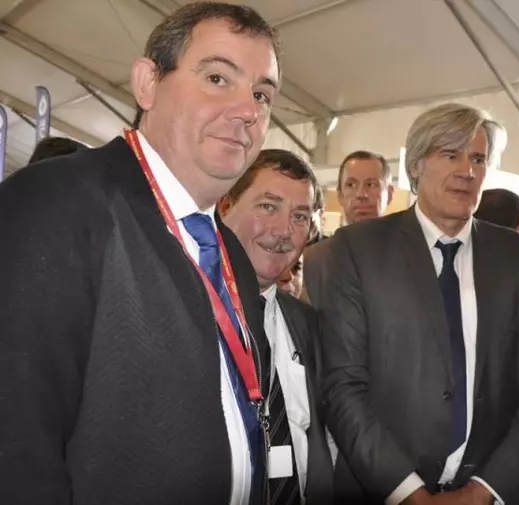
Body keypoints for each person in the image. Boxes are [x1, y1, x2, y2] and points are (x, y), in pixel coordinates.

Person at [0, 3, 280, 504]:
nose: (248, 110)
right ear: (147, 82)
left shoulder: (230, 252)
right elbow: (16, 442)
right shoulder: (55, 204)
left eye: (262, 94)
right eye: (218, 78)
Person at [321, 103, 519, 505]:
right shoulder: (356, 251)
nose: (467, 171)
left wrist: (484, 491)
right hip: (381, 492)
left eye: (478, 158)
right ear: (415, 165)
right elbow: (343, 386)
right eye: (450, 154)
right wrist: (408, 493)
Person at [220, 149, 334, 505]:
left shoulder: (309, 325)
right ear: (225, 207)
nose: (284, 231)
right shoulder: (182, 312)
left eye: (299, 216)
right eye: (268, 206)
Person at [303, 150, 393, 305]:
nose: (361, 194)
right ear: (339, 194)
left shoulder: (409, 254)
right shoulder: (315, 259)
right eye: (351, 185)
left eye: (371, 184)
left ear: (390, 194)